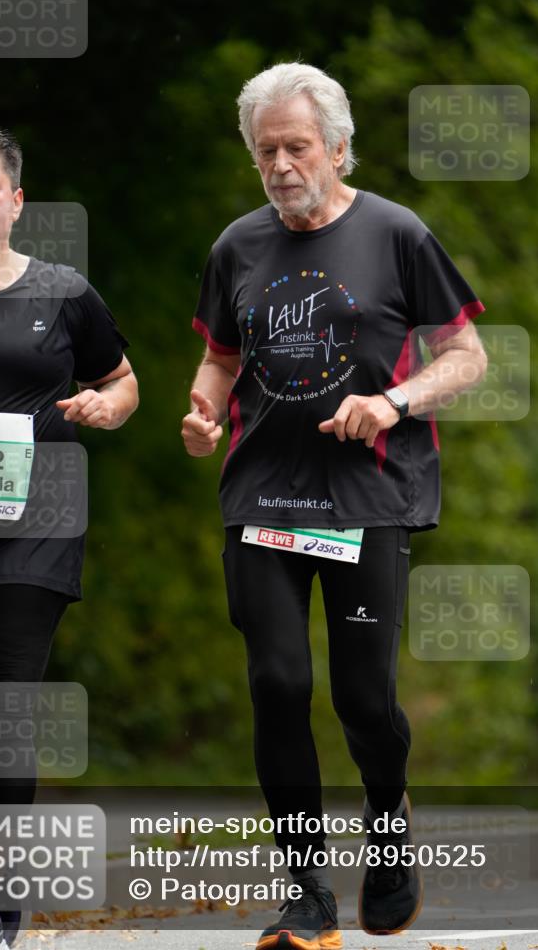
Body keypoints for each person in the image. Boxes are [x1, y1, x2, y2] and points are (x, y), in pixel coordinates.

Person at [182, 63, 487, 949]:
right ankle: (306, 897)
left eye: (296, 147)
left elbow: (466, 355)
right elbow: (219, 359)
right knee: (277, 683)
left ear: (338, 148)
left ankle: (387, 828)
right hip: (261, 495)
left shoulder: (396, 233)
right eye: (264, 150)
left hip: (364, 498)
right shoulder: (236, 246)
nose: (279, 165)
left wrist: (392, 402)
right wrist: (202, 412)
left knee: (363, 699)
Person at [0, 124, 139, 950]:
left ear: (16, 203)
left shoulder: (61, 291)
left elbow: (122, 381)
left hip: (35, 525)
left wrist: (106, 407)